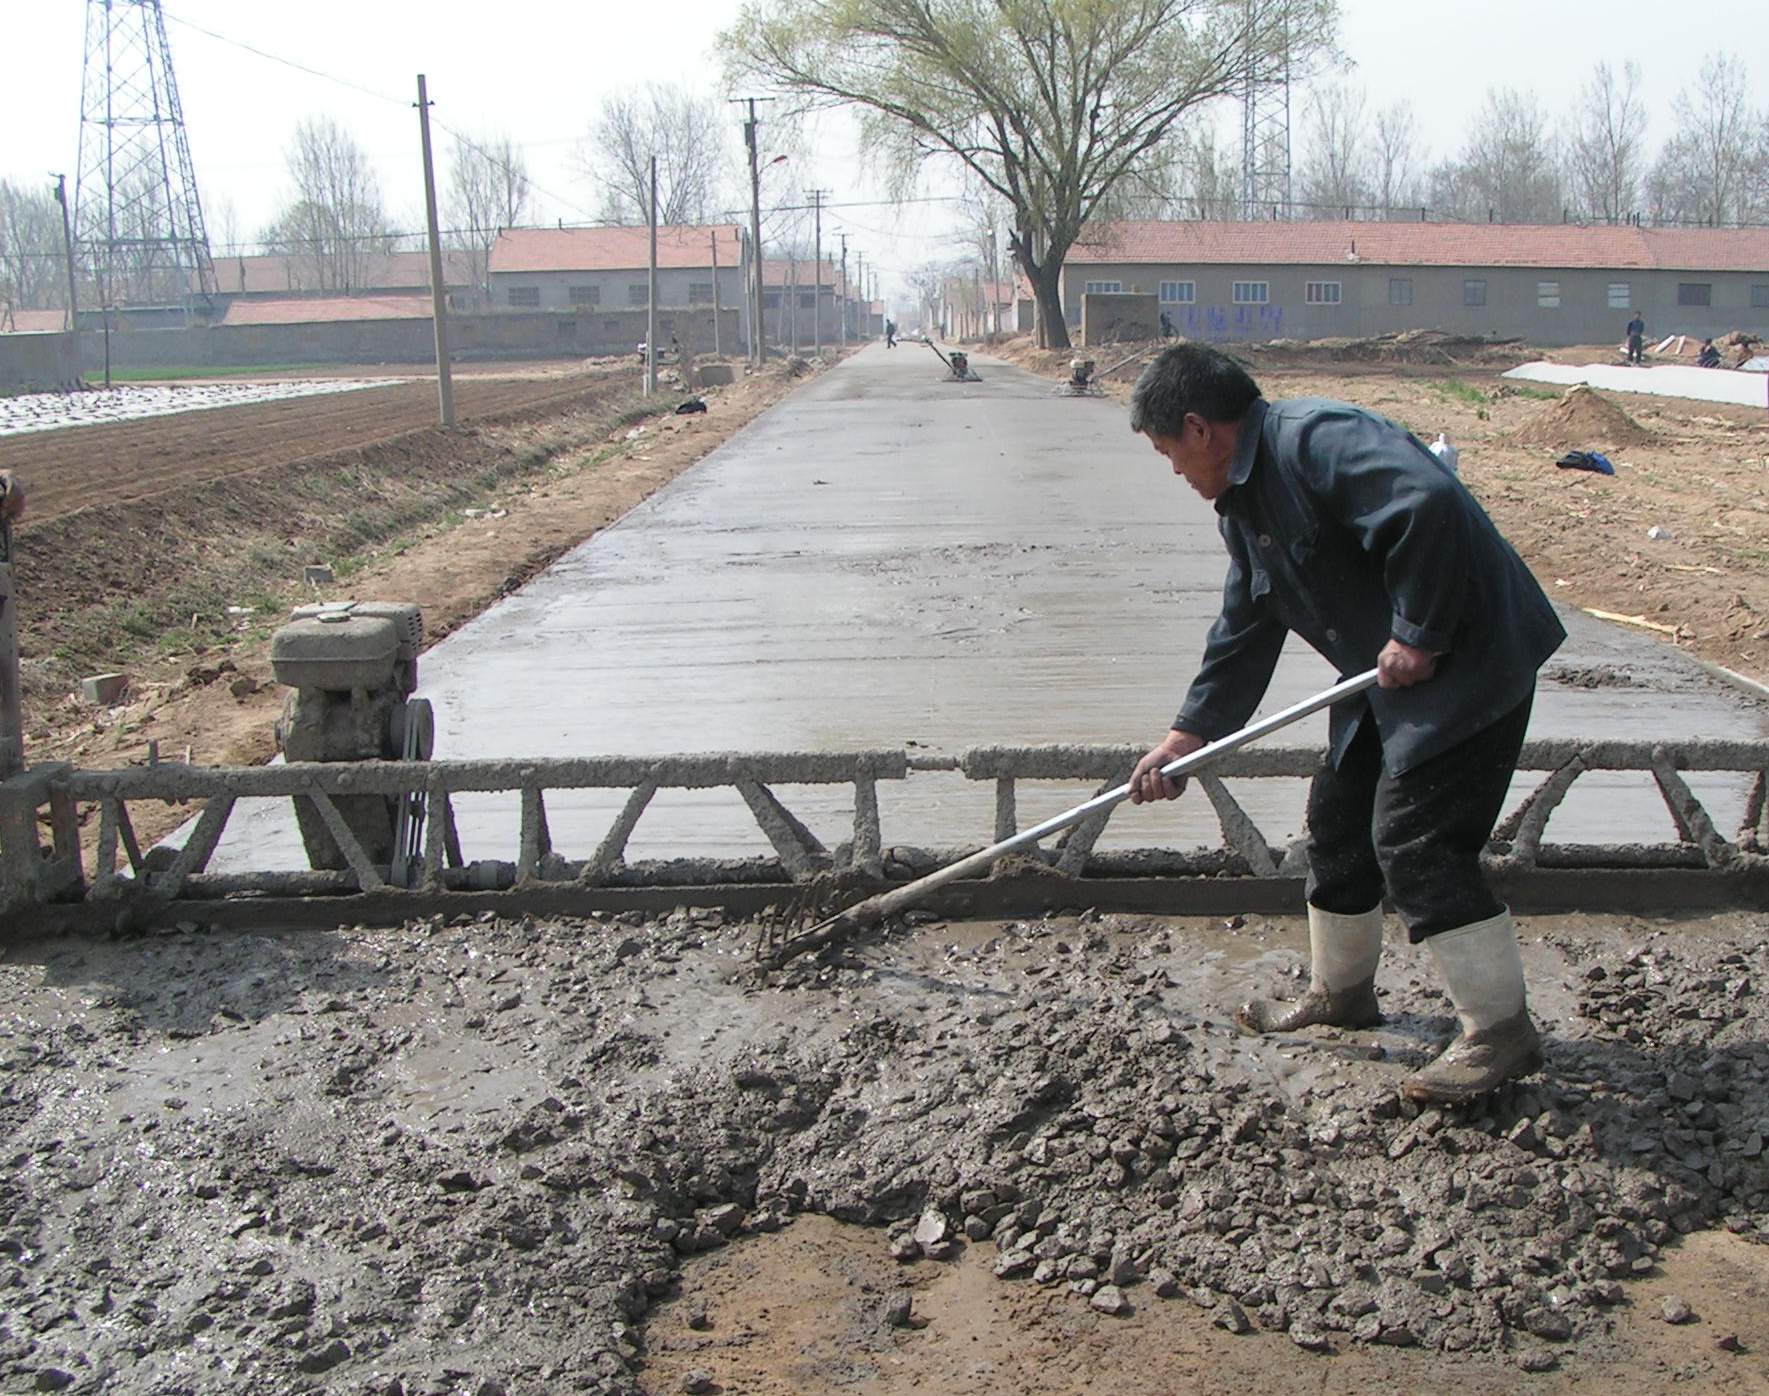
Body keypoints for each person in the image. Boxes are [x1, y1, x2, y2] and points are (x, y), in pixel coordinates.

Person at [1125, 345, 1565, 1104]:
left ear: (1199, 429)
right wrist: (1187, 736)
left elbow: (1426, 505)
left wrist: (1420, 630)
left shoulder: (1316, 439)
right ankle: (1342, 993)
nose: (1174, 472)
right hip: (1380, 675)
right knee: (1335, 822)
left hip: (1467, 658)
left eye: (1168, 453)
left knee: (1416, 841)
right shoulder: (1246, 501)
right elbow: (1244, 625)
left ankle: (1499, 1030)